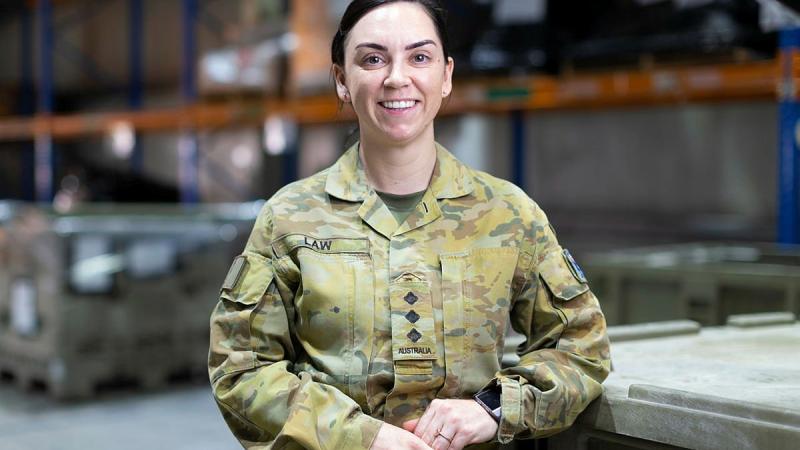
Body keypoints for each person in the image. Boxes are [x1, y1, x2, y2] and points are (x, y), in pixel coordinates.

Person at [208, 1, 611, 449]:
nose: (397, 77)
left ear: (446, 76)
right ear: (342, 80)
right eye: (373, 59)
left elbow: (582, 347)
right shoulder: (290, 218)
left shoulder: (508, 215)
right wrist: (361, 437)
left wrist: (494, 406)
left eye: (419, 57)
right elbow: (241, 368)